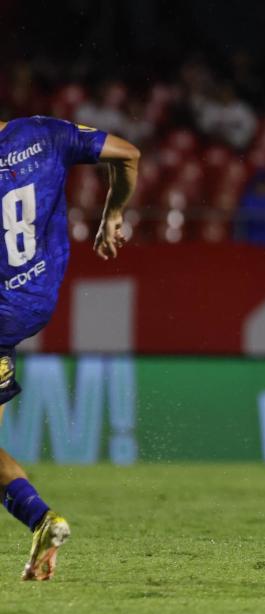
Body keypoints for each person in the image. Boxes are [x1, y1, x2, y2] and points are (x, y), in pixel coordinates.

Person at [0, 116, 139, 579]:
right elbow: (129, 154)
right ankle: (43, 524)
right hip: (33, 303)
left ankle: (42, 518)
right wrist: (114, 213)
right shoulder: (46, 132)